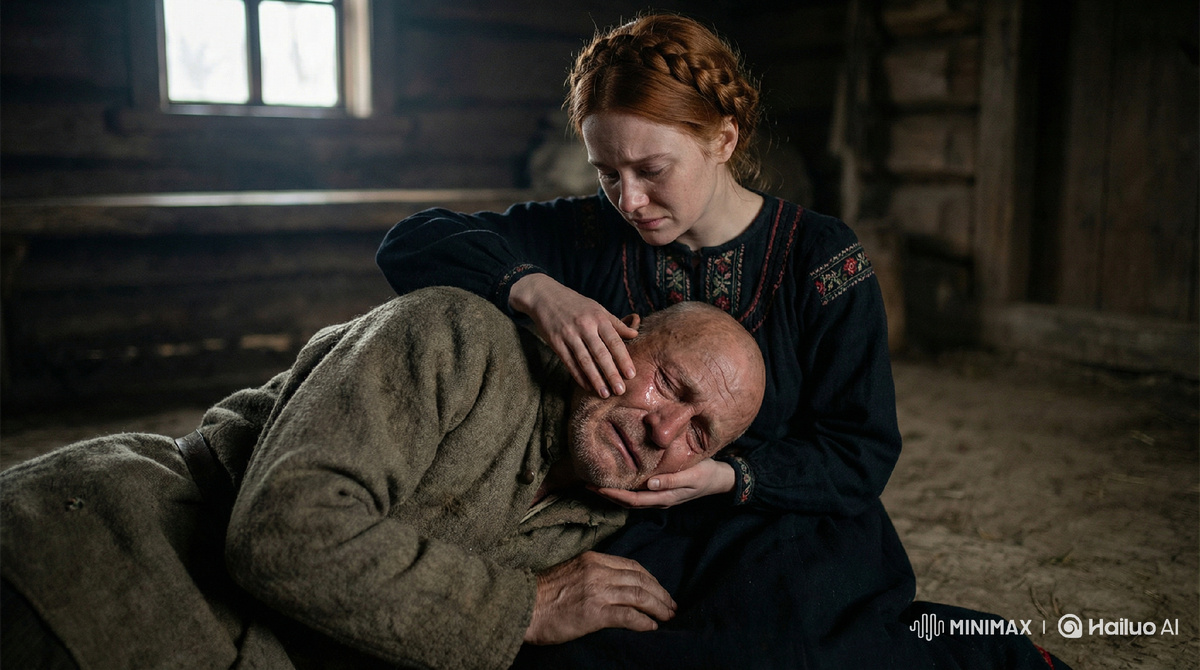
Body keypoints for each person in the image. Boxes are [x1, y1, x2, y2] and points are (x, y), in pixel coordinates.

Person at [376, 12, 1071, 670]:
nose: (629, 200)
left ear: (724, 139)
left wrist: (728, 476)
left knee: (789, 655)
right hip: (629, 525)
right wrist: (534, 289)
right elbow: (411, 242)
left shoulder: (821, 259)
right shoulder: (587, 232)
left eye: (652, 170)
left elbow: (861, 451)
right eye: (607, 172)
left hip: (779, 519)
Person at [0, 287, 766, 670]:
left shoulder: (603, 522)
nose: (664, 430)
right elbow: (287, 533)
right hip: (96, 558)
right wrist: (528, 605)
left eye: (698, 434)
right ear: (622, 335)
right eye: (669, 384)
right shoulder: (457, 337)